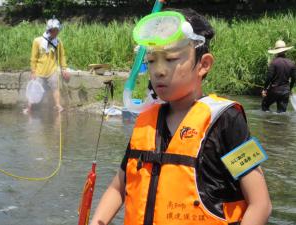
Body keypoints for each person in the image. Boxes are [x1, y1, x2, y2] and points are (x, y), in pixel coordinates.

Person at [91, 9, 272, 225]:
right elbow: (118, 188)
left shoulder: (227, 120)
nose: (158, 71)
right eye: (151, 60)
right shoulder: (145, 124)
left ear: (203, 64)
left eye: (171, 59)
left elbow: (261, 204)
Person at [24, 18, 69, 114]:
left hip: (52, 70)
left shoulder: (58, 42)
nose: (57, 32)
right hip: (39, 71)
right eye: (55, 30)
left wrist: (64, 68)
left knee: (55, 87)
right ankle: (29, 108)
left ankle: (57, 105)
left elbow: (62, 56)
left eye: (58, 30)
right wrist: (33, 71)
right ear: (49, 30)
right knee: (34, 89)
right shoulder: (37, 41)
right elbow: (33, 58)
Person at [261, 40, 296, 113]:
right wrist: (290, 88)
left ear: (276, 52)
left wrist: (264, 89)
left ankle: (268, 121)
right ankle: (281, 123)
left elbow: (269, 77)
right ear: (285, 51)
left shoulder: (274, 62)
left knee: (265, 105)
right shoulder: (291, 63)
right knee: (282, 112)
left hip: (274, 90)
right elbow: (294, 78)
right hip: (285, 91)